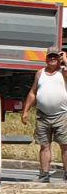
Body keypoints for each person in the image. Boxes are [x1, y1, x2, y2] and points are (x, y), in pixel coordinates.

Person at [22, 49, 67, 182]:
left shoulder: (63, 72)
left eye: (55, 57)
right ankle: (44, 175)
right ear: (46, 59)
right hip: (43, 116)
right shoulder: (40, 73)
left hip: (62, 115)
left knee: (65, 145)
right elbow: (33, 92)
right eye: (50, 57)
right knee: (44, 145)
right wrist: (25, 111)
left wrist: (65, 58)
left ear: (59, 59)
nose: (52, 59)